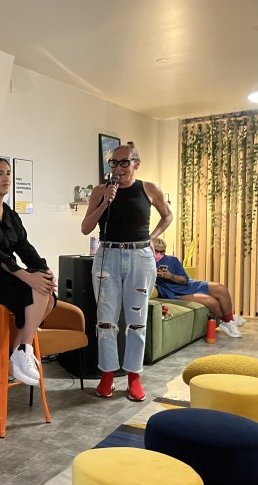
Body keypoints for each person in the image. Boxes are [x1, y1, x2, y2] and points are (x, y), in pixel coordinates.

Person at [81, 141, 172, 401]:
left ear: (136, 164)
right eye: (114, 163)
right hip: (107, 255)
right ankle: (107, 377)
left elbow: (167, 216)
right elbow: (86, 228)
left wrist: (152, 238)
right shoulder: (101, 191)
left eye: (124, 162)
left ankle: (134, 377)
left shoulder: (149, 189)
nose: (118, 168)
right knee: (106, 320)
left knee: (136, 321)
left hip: (140, 257)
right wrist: (104, 203)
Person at [0, 158, 56, 386]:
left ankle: (19, 349)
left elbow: (24, 246)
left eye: (8, 173)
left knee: (48, 293)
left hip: (7, 275)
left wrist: (44, 270)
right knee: (34, 287)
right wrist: (27, 276)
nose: (6, 179)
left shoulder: (11, 215)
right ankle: (23, 349)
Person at [153, 237, 245, 337]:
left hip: (186, 284)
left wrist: (170, 276)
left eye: (162, 252)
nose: (159, 255)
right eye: (156, 251)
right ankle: (227, 322)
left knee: (220, 288)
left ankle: (229, 319)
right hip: (172, 292)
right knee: (210, 301)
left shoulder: (172, 260)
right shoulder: (146, 263)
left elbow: (184, 280)